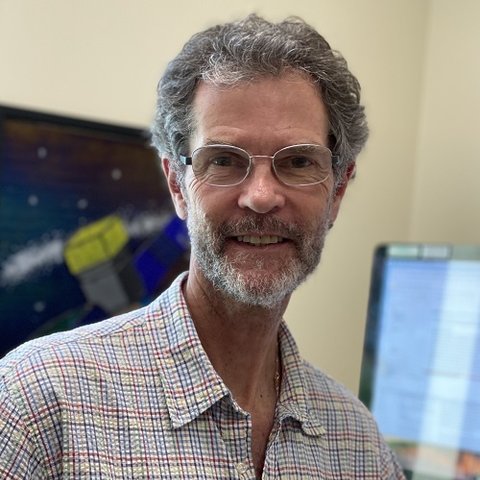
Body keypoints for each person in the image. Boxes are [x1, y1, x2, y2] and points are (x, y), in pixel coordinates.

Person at [0, 14, 406, 479]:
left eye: (297, 162)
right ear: (177, 185)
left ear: (337, 190)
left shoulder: (359, 445)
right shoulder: (37, 406)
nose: (261, 196)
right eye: (224, 160)